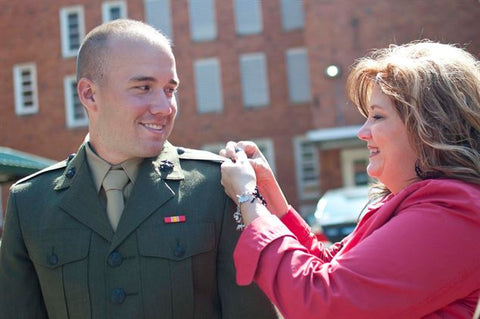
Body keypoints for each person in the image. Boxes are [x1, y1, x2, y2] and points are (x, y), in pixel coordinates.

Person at [0, 19, 278, 319]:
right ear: (89, 94)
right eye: (143, 87)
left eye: (170, 89)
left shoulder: (216, 187)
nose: (164, 107)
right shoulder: (30, 203)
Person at [220, 40, 480, 318]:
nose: (363, 132)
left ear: (428, 126)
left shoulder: (454, 212)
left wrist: (249, 199)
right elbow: (329, 265)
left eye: (377, 117)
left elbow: (322, 301)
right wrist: (269, 195)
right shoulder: (429, 204)